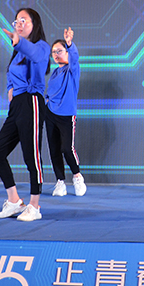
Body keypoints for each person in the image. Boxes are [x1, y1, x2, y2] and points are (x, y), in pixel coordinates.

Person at [0, 8, 50, 222]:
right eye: (17, 21)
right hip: (17, 105)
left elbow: (35, 55)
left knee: (31, 157)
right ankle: (14, 201)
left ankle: (34, 205)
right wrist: (9, 88)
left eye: (24, 20)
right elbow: (12, 72)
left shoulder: (41, 46)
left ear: (35, 24)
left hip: (32, 102)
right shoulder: (18, 50)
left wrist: (18, 42)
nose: (19, 24)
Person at [45, 27, 86, 197]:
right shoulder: (55, 72)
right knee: (54, 149)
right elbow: (50, 92)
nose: (56, 54)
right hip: (50, 114)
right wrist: (46, 102)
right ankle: (60, 182)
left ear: (67, 52)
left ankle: (77, 177)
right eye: (53, 52)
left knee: (66, 148)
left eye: (59, 51)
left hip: (66, 115)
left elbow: (74, 57)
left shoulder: (72, 69)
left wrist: (70, 43)